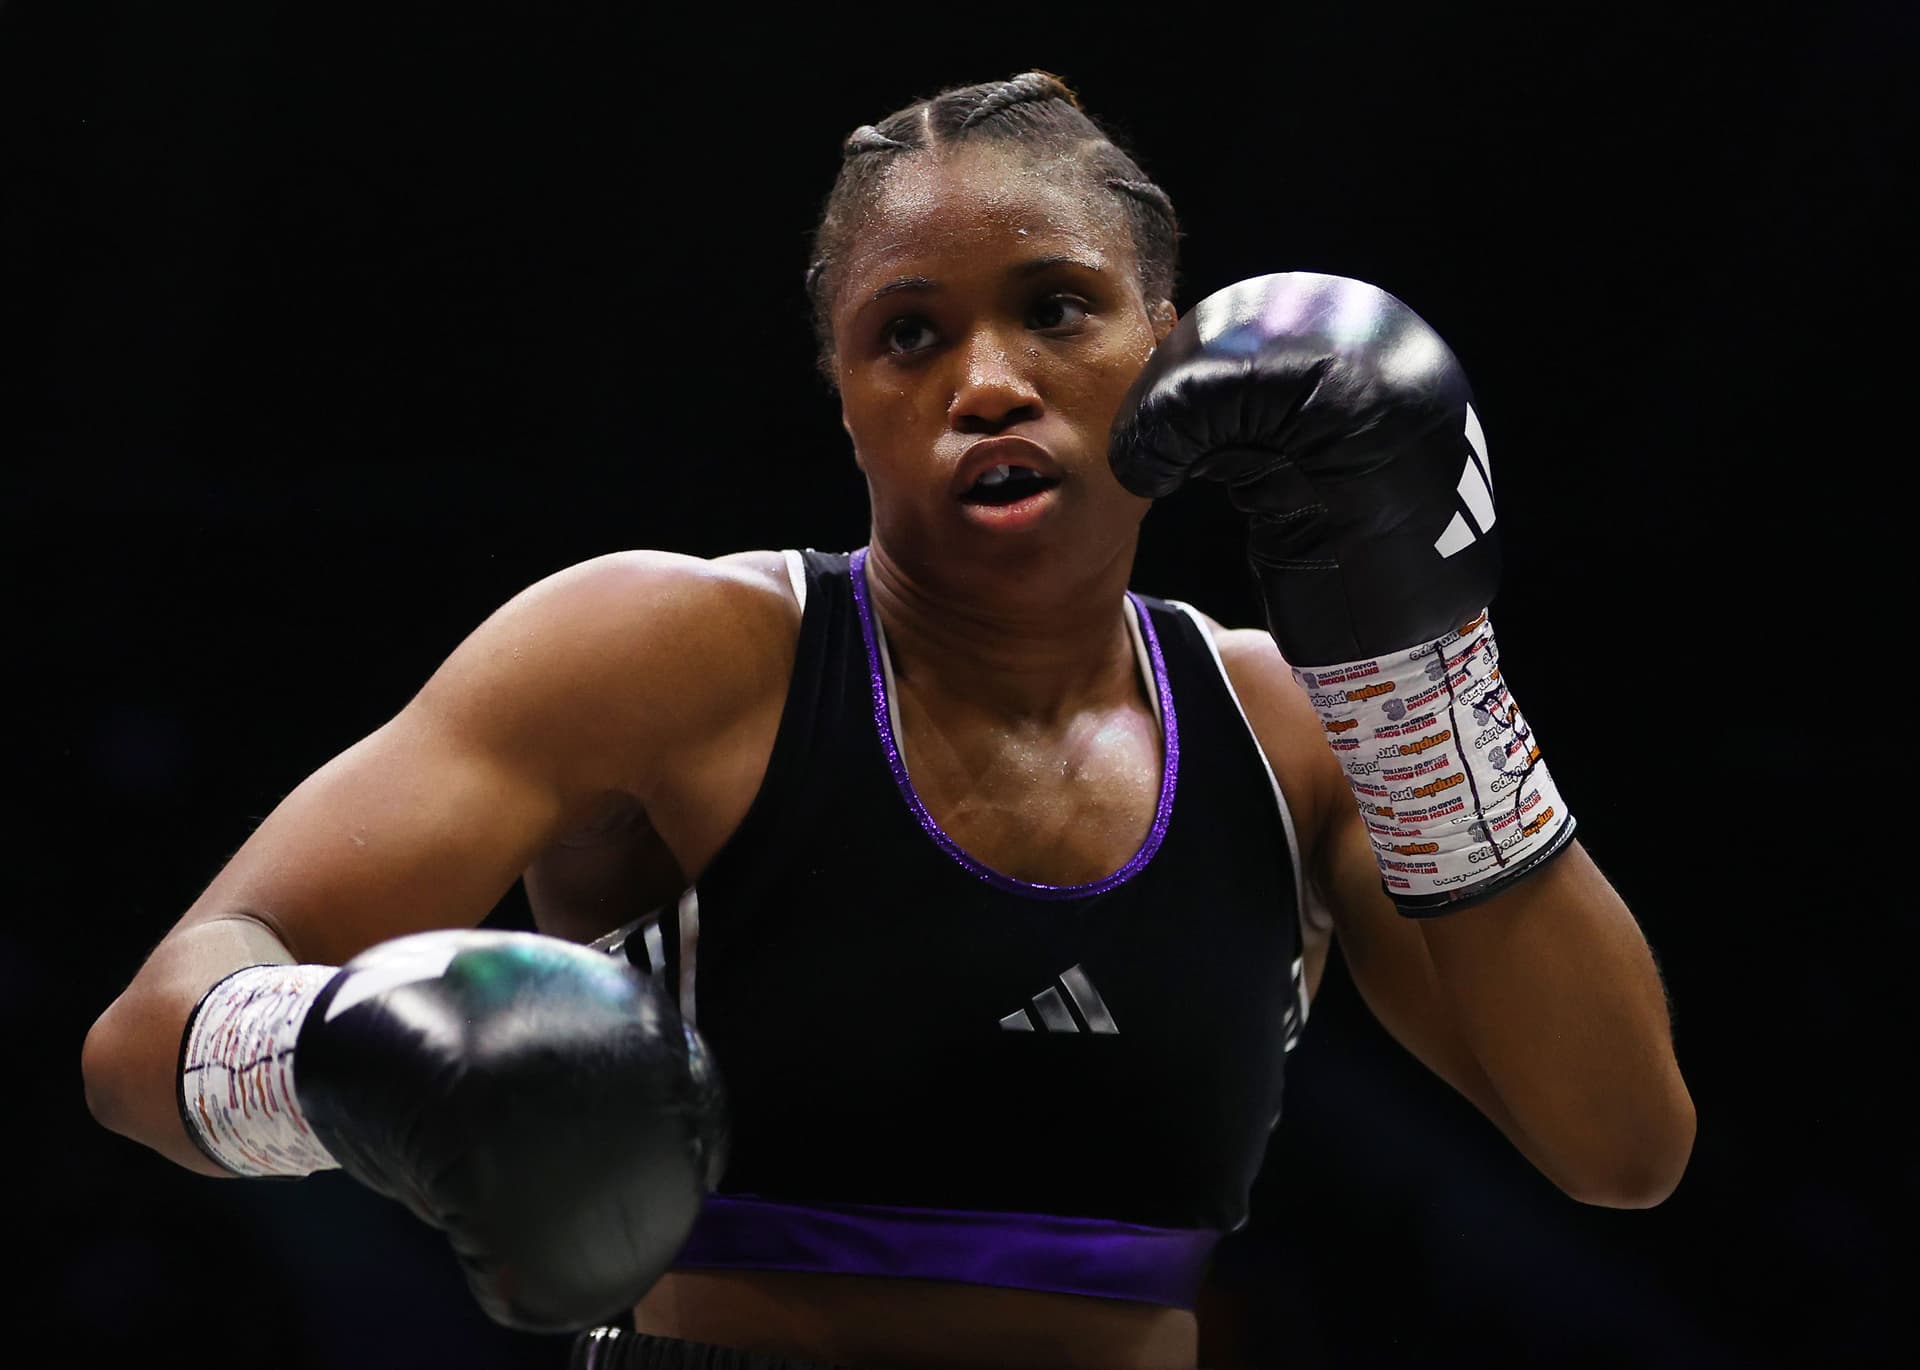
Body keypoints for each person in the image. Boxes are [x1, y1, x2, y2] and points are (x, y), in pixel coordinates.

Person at [81, 71, 1696, 1370]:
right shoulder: (670, 651)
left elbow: (1623, 1143)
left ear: (1165, 348)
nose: (986, 380)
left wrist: (1421, 665)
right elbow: (146, 1032)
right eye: (909, 334)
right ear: (845, 394)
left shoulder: (1288, 729)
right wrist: (332, 1053)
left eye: (1058, 308)